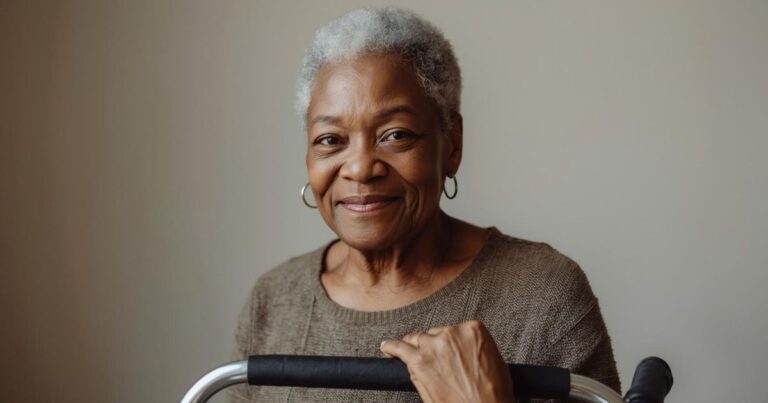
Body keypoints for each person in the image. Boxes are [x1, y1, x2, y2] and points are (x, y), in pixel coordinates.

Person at [229, 6, 620, 403]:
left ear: (452, 144)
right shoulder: (274, 300)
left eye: (395, 134)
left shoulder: (542, 296)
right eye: (331, 140)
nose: (361, 168)